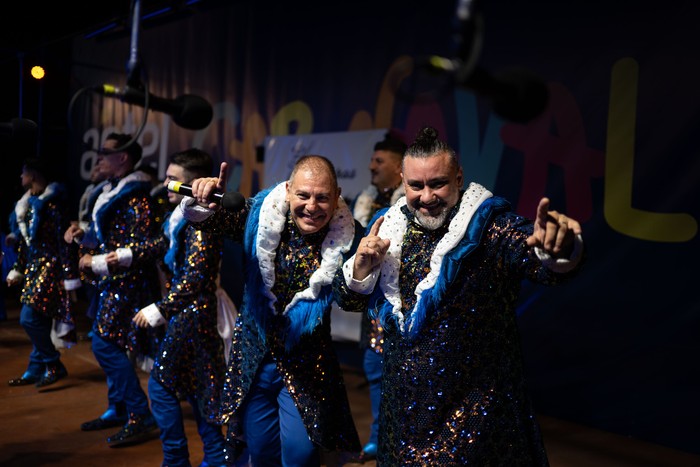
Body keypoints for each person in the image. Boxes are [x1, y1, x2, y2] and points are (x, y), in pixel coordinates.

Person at [334, 126, 585, 465]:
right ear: (402, 181)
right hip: (403, 417)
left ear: (458, 177)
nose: (426, 196)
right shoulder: (387, 225)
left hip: (477, 417)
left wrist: (559, 247)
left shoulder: (489, 225)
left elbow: (541, 262)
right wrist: (361, 266)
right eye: (416, 185)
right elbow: (349, 299)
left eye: (437, 183)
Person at [180, 155, 363, 466]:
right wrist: (204, 199)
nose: (312, 206)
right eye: (303, 195)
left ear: (337, 196)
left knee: (300, 454)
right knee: (261, 451)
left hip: (306, 366)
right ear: (289, 190)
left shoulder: (349, 237)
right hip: (254, 359)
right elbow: (212, 221)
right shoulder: (259, 214)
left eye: (322, 197)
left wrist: (360, 272)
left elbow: (351, 301)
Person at [132, 148, 230, 467]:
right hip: (187, 312)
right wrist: (112, 258)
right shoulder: (177, 214)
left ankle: (178, 460)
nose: (166, 184)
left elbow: (197, 276)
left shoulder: (203, 217)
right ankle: (215, 458)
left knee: (164, 387)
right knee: (200, 389)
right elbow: (159, 246)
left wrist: (161, 308)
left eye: (173, 179)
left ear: (193, 184)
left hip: (196, 314)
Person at [70, 133, 162, 447]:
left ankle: (140, 413)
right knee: (109, 342)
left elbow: (146, 245)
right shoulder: (112, 190)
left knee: (103, 343)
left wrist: (99, 260)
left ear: (122, 157)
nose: (98, 158)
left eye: (104, 152)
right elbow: (107, 235)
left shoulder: (137, 195)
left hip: (129, 282)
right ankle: (119, 407)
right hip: (111, 280)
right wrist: (84, 234)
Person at [349, 131, 406, 463]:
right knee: (373, 371)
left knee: (402, 380)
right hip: (374, 312)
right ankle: (376, 437)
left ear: (400, 168)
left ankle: (399, 440)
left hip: (404, 310)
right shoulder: (364, 201)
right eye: (371, 160)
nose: (371, 166)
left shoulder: (412, 205)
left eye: (379, 161)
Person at [6, 157, 81, 387]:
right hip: (34, 268)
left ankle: (53, 362)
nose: (21, 177)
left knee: (28, 318)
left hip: (51, 270)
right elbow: (27, 243)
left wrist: (70, 278)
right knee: (38, 319)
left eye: (24, 172)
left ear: (34, 175)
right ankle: (36, 367)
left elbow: (64, 244)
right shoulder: (28, 204)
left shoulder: (53, 205)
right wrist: (18, 268)